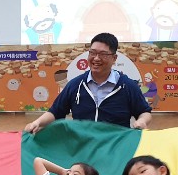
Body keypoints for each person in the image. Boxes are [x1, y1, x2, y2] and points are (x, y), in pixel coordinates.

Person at [24, 32, 154, 133]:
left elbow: (144, 112)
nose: (96, 58)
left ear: (114, 58)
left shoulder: (127, 86)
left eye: (103, 54)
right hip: (82, 145)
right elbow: (55, 112)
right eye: (92, 53)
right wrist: (37, 123)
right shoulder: (76, 85)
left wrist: (142, 121)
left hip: (115, 147)